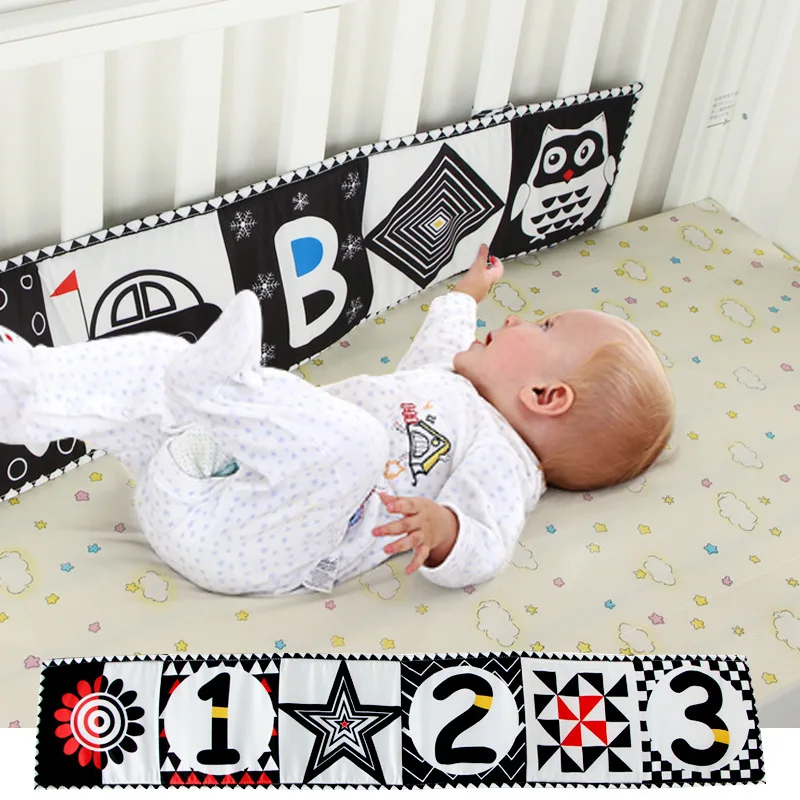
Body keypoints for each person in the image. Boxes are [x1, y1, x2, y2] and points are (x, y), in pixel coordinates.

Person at [0, 245, 674, 596]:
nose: (523, 318)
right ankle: (28, 392)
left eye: (545, 326)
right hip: (199, 477)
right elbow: (443, 346)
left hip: (256, 542)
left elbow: (488, 542)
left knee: (358, 444)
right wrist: (467, 295)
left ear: (546, 396)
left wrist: (446, 532)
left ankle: (222, 389)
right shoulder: (451, 383)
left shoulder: (505, 458)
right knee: (161, 366)